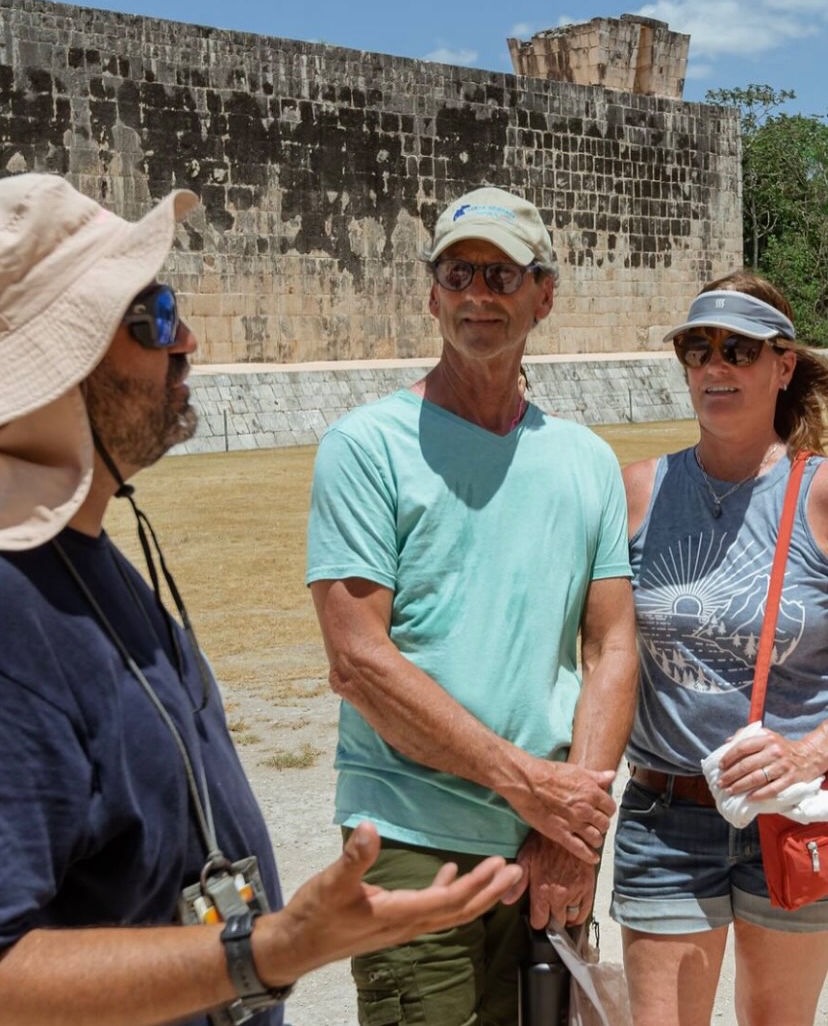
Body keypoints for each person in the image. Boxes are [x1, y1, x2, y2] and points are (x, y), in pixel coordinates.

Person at [0, 172, 525, 1026]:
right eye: (156, 316)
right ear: (70, 355)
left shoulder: (85, 564)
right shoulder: (13, 609)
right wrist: (269, 950)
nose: (190, 339)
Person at [306, 185, 639, 1025]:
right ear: (431, 294)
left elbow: (610, 649)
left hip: (549, 846)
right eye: (458, 274)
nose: (478, 295)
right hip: (417, 844)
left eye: (501, 273)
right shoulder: (367, 446)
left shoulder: (585, 460)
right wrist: (529, 787)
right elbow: (359, 664)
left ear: (545, 294)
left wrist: (571, 834)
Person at [610, 270, 828, 1026]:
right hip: (666, 814)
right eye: (697, 349)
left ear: (783, 364)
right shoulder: (636, 491)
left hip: (792, 813)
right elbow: (597, 655)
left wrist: (810, 754)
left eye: (738, 348)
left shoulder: (821, 495)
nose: (714, 367)